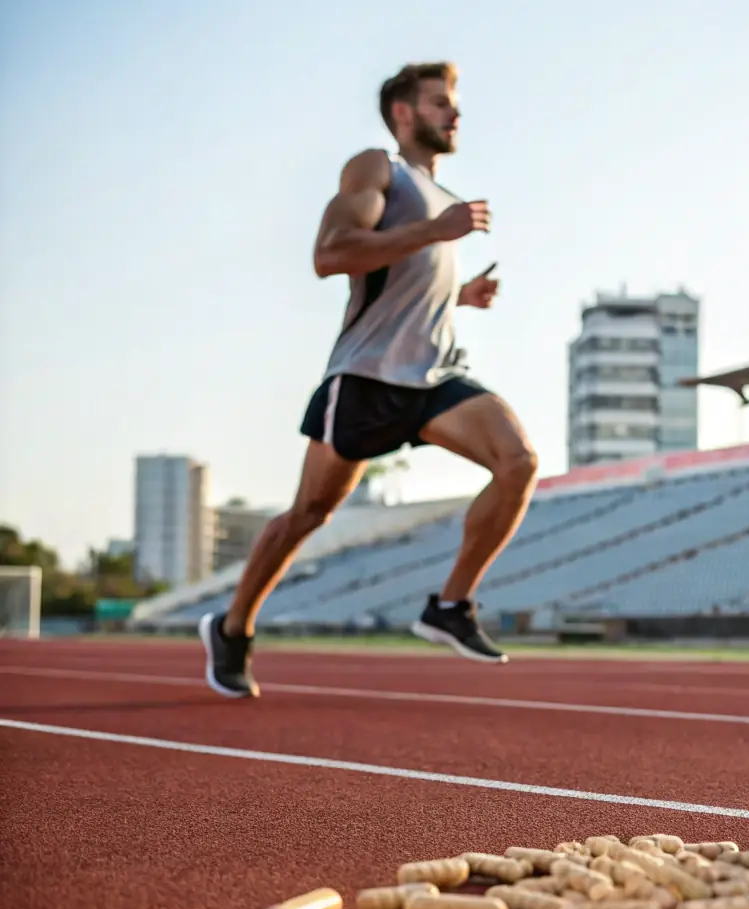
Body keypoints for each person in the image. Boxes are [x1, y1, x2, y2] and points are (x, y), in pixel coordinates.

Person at [200, 62, 538, 699]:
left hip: (435, 376)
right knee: (309, 514)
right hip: (366, 377)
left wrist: (458, 295)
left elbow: (406, 284)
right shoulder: (376, 169)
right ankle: (233, 626)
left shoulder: (444, 200)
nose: (454, 113)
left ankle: (450, 604)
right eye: (440, 103)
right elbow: (332, 255)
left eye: (454, 103)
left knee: (518, 460)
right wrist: (434, 232)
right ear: (404, 114)